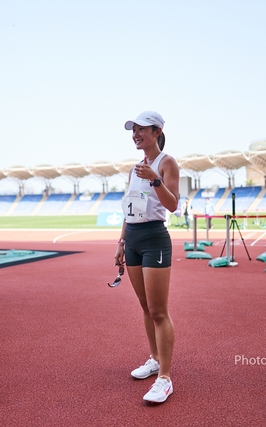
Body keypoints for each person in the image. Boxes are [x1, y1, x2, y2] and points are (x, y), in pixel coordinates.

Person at [115, 111, 179, 404]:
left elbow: (173, 205)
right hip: (134, 240)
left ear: (157, 132)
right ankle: (154, 359)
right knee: (144, 306)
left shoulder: (166, 163)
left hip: (155, 237)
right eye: (134, 130)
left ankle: (165, 378)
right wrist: (121, 241)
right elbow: (130, 207)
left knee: (158, 311)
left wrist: (155, 179)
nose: (136, 134)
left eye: (142, 130)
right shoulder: (133, 169)